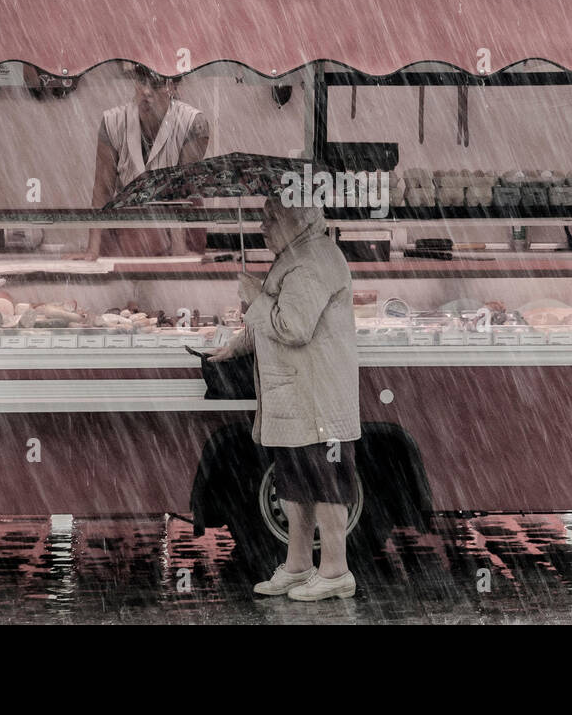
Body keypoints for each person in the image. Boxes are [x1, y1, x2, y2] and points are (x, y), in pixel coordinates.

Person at [209, 196, 361, 601]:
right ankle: (297, 566)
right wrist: (238, 346)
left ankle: (335, 571)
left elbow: (292, 326)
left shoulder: (313, 262)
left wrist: (256, 296)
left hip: (318, 397)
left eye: (271, 217)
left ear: (299, 220)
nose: (262, 225)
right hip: (297, 398)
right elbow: (275, 320)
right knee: (294, 484)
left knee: (326, 484)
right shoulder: (296, 254)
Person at [74, 64, 210, 259]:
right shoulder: (112, 122)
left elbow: (183, 191)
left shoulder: (194, 124)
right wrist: (92, 250)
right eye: (141, 82)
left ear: (172, 87)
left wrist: (179, 251)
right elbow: (102, 190)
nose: (146, 91)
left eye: (156, 85)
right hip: (130, 222)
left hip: (182, 224)